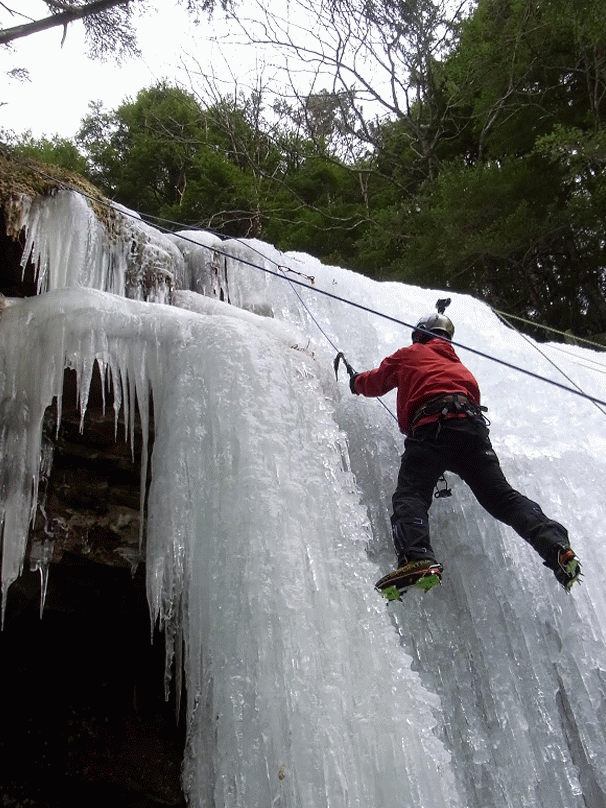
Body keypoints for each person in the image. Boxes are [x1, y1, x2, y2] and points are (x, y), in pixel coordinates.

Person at [349, 307, 582, 592]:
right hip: (472, 430)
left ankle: (417, 556)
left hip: (432, 427)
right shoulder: (462, 370)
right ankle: (555, 545)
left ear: (419, 335)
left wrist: (355, 381)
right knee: (503, 500)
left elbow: (376, 381)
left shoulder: (410, 355)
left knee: (412, 494)